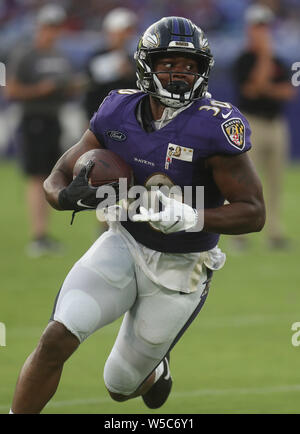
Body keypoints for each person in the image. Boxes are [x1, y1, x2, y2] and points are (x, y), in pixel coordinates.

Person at [9, 17, 265, 414]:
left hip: (182, 267)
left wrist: (191, 216)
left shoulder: (214, 124)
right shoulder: (117, 110)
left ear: (204, 69)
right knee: (55, 338)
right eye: (170, 63)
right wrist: (68, 198)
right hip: (124, 242)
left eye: (190, 65)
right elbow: (56, 177)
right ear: (147, 65)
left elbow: (254, 213)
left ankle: (153, 370)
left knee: (120, 386)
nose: (181, 72)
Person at [5, 4, 73, 257]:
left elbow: (69, 85)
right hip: (33, 118)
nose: (53, 32)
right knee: (37, 177)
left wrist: (71, 87)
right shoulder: (26, 54)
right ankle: (38, 235)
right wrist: (40, 90)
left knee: (50, 175)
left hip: (54, 119)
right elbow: (10, 90)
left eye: (56, 27)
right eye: (49, 27)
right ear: (40, 27)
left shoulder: (61, 56)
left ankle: (44, 234)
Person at [233, 4, 295, 250]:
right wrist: (265, 55)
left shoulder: (279, 60)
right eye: (259, 27)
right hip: (252, 124)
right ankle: (239, 234)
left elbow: (288, 92)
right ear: (250, 29)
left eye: (266, 27)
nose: (263, 32)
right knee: (246, 181)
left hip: (276, 123)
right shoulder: (244, 59)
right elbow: (254, 87)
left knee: (276, 181)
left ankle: (275, 232)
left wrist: (267, 87)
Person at [83, 7, 137, 120]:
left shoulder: (134, 59)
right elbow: (90, 89)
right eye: (123, 31)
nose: (126, 36)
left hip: (126, 119)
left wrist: (130, 74)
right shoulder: (96, 57)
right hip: (100, 118)